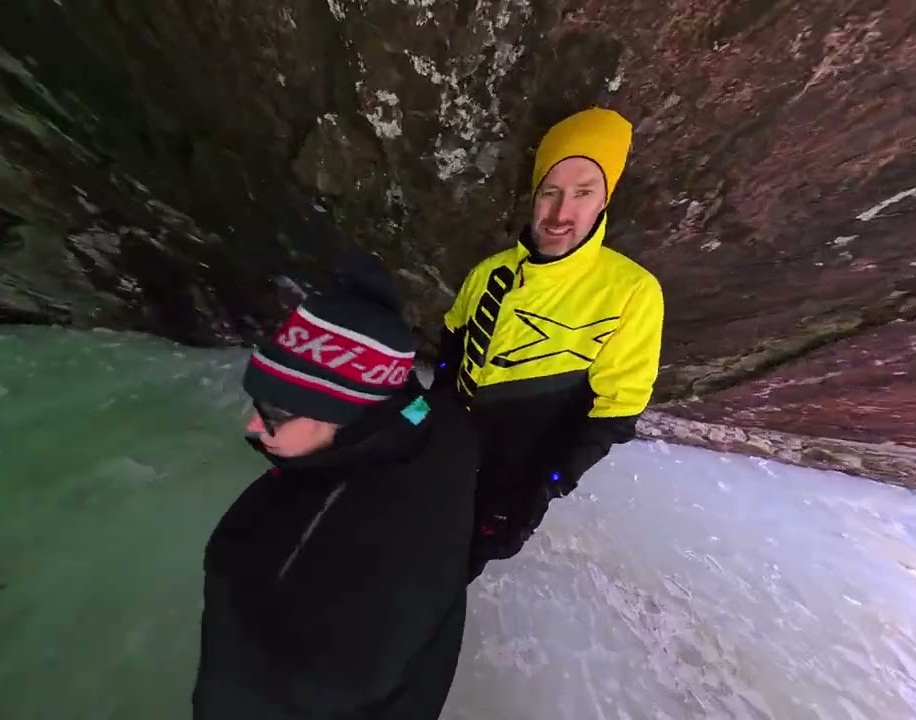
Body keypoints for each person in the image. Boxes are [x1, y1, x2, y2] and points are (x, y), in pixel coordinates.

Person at [191, 252, 479, 720]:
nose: (253, 426)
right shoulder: (436, 422)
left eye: (277, 413)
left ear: (348, 414)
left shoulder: (301, 557)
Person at [432, 107, 665, 579]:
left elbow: (616, 412)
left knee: (456, 569)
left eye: (583, 193)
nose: (561, 214)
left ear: (604, 202)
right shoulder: (490, 273)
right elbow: (451, 350)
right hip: (447, 453)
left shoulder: (631, 292)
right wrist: (430, 418)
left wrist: (550, 481)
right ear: (535, 196)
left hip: (513, 479)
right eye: (551, 192)